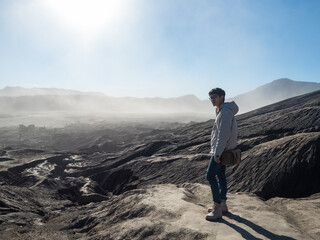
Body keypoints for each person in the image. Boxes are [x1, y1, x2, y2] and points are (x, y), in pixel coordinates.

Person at [205, 88, 239, 221]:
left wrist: (217, 154)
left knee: (210, 175)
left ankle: (217, 208)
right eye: (210, 98)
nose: (212, 100)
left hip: (221, 151)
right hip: (224, 150)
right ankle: (223, 204)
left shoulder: (224, 112)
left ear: (222, 97)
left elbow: (223, 135)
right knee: (220, 175)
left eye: (214, 97)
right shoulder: (223, 110)